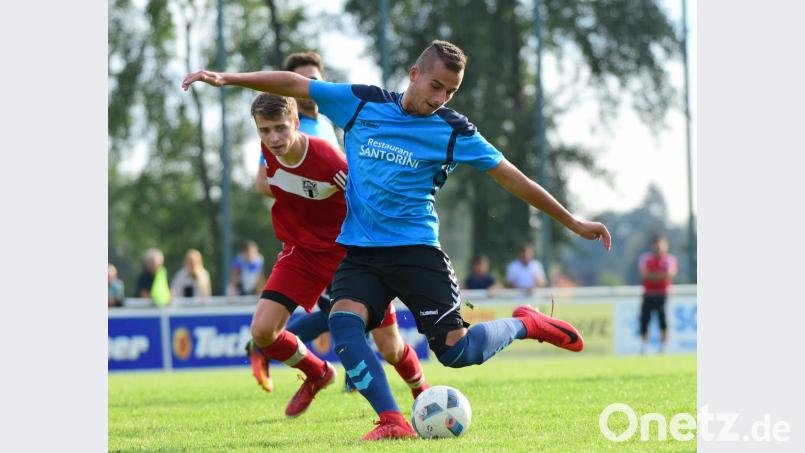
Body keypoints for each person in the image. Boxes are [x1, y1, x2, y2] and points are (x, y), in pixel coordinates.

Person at [183, 39, 611, 441]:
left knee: (455, 353)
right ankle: (391, 420)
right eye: (436, 85)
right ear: (413, 74)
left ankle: (525, 323)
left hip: (416, 252)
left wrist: (572, 221)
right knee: (344, 324)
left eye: (451, 91)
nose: (441, 98)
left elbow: (511, 176)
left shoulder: (452, 130)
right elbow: (296, 84)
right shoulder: (361, 102)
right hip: (362, 252)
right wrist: (228, 78)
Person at [232, 92, 429, 419]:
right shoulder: (268, 151)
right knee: (263, 332)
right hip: (301, 253)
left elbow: (370, 199)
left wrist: (354, 189)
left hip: (348, 256)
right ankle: (317, 373)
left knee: (390, 348)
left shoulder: (326, 157)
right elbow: (272, 187)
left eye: (280, 128)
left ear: (296, 123)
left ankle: (422, 392)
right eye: (264, 130)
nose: (273, 137)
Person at [256, 52, 340, 197]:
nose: (308, 87)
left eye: (313, 80)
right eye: (301, 81)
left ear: (323, 80)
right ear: (290, 87)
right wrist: (312, 197)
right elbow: (263, 182)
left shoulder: (326, 124)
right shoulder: (285, 130)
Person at [638, 234, 678, 354]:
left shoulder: (670, 260)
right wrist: (660, 276)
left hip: (663, 294)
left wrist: (654, 276)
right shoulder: (645, 258)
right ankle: (644, 347)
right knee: (644, 320)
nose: (658, 248)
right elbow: (645, 274)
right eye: (656, 245)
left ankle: (663, 347)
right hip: (648, 294)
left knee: (663, 321)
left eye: (660, 245)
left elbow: (669, 274)